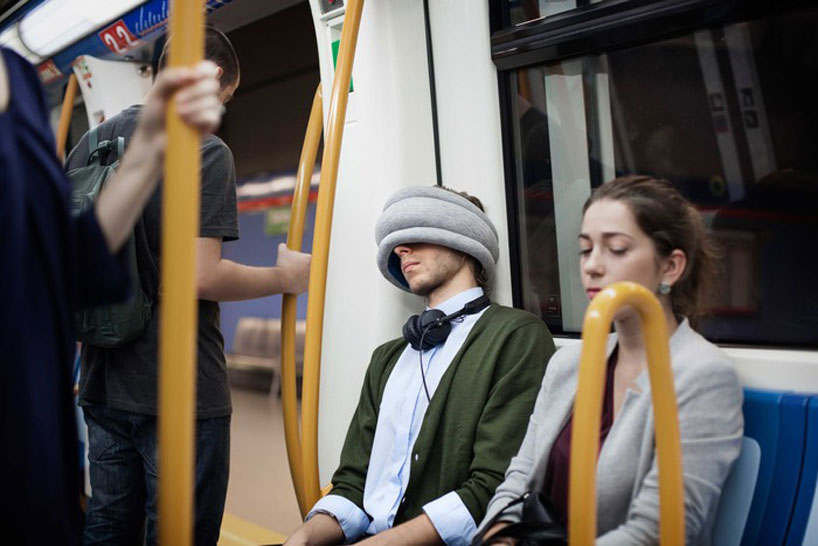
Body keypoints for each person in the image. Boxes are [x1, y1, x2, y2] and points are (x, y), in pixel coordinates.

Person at [64, 28, 310, 546]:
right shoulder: (204, 151)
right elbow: (200, 276)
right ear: (214, 77)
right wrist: (285, 277)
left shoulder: (89, 144)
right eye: (226, 98)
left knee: (107, 527)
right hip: (179, 391)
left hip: (102, 382)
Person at [0, 45, 223, 545]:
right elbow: (199, 276)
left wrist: (147, 154)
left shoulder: (19, 78)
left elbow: (63, 264)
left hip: (34, 440)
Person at [479, 176, 744, 545]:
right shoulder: (569, 364)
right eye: (585, 250)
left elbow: (657, 529)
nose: (593, 266)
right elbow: (520, 476)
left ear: (670, 267)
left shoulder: (703, 375)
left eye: (617, 249)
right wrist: (498, 538)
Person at [285, 186, 555, 546]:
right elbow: (352, 482)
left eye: (417, 233)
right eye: (396, 241)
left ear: (463, 238)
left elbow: (495, 485)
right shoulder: (388, 357)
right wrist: (301, 539)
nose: (401, 248)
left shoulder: (516, 337)